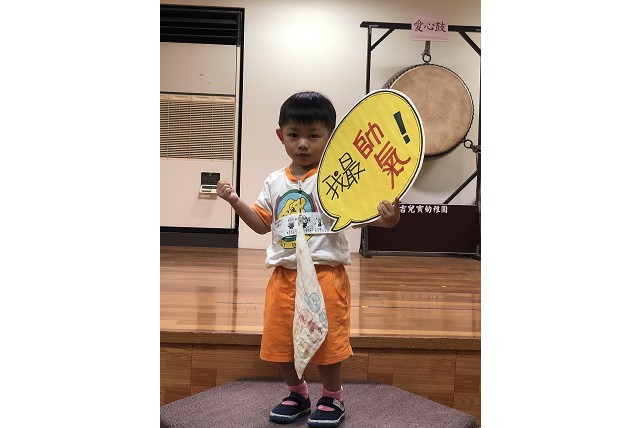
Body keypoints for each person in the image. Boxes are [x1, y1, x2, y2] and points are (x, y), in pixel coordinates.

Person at [216, 91, 400, 427]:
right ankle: (297, 394)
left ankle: (332, 397)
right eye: (294, 135)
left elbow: (366, 217)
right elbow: (261, 224)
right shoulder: (274, 181)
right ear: (281, 136)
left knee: (327, 341)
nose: (302, 144)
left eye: (313, 136)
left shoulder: (339, 178)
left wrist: (389, 219)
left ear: (331, 137)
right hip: (284, 276)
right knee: (280, 341)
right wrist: (235, 201)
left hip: (325, 274)